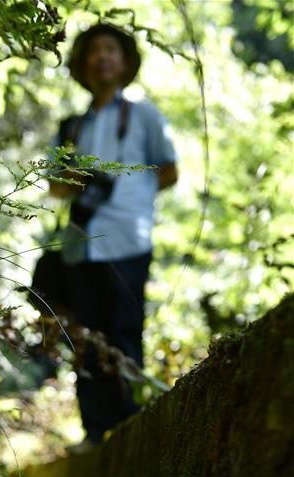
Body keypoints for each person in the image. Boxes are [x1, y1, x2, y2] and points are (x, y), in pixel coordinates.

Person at [47, 23, 178, 448]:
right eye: (95, 50)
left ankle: (128, 424)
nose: (103, 57)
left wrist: (134, 198)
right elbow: (54, 186)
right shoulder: (71, 125)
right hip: (81, 243)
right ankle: (93, 430)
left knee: (124, 330)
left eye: (111, 50)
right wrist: (82, 181)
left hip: (129, 239)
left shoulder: (144, 114)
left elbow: (169, 170)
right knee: (85, 337)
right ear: (83, 62)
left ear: (124, 62)